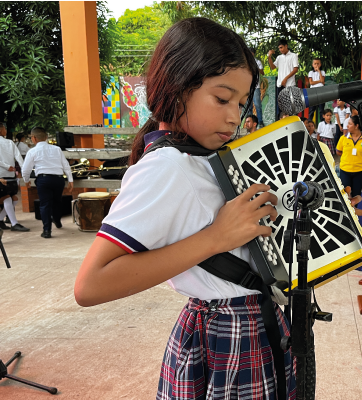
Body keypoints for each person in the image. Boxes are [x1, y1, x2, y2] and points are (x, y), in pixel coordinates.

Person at [74, 18, 297, 399]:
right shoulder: (167, 165)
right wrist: (214, 238)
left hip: (253, 326)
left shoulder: (206, 159)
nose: (234, 116)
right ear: (177, 88)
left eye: (241, 103)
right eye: (222, 98)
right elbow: (90, 285)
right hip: (228, 336)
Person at [22, 127, 73, 238]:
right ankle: (57, 220)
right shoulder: (57, 149)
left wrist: (26, 181)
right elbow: (66, 165)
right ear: (46, 137)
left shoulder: (32, 151)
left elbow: (25, 169)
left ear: (33, 138)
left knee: (45, 204)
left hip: (43, 179)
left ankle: (47, 230)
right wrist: (70, 180)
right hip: (58, 179)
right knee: (57, 201)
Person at [0, 122, 29, 232]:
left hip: (1, 174)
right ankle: (13, 223)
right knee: (7, 198)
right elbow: (19, 159)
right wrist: (21, 172)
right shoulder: (8, 143)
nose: (6, 130)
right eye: (5, 129)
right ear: (1, 131)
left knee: (13, 198)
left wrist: (8, 167)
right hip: (1, 176)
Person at [336, 115, 362, 197]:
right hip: (345, 170)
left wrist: (361, 160)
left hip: (360, 171)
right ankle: (347, 210)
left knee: (357, 194)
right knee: (345, 195)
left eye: (349, 124)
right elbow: (338, 152)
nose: (347, 126)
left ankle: (356, 209)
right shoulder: (343, 138)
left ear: (356, 126)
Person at [267, 39, 299, 120]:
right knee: (280, 105)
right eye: (279, 48)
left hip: (290, 84)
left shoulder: (293, 56)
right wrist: (269, 57)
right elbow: (272, 67)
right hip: (280, 84)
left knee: (290, 104)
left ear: (286, 46)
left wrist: (285, 78)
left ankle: (291, 121)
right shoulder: (279, 57)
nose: (280, 49)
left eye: (281, 47)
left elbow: (296, 69)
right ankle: (280, 122)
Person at [247, 48, 264, 128]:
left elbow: (262, 72)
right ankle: (249, 123)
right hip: (247, 86)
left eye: (251, 53)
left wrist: (255, 67)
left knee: (257, 105)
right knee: (248, 106)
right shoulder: (245, 62)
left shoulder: (258, 62)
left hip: (256, 86)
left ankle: (260, 122)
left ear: (253, 53)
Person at [307, 58, 326, 122]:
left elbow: (323, 81)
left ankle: (323, 124)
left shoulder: (322, 72)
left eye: (318, 63)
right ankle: (309, 123)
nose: (316, 65)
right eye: (315, 64)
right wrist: (319, 81)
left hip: (321, 92)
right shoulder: (310, 72)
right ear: (312, 65)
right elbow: (311, 82)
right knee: (312, 109)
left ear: (320, 64)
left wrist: (319, 71)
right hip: (313, 92)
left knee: (321, 110)